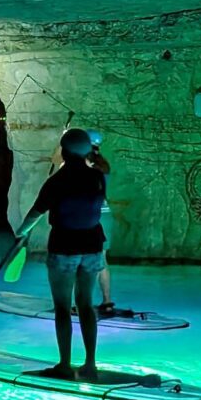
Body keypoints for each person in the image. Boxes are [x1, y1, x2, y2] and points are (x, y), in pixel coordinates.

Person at [15, 128, 108, 382]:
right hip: (92, 246)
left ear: (64, 152)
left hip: (64, 247)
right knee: (86, 304)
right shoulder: (98, 178)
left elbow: (36, 212)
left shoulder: (56, 181)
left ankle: (65, 365)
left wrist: (21, 234)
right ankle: (90, 364)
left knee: (63, 307)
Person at [86, 129, 117, 315]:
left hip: (91, 217)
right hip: (105, 215)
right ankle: (107, 301)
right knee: (101, 259)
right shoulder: (104, 165)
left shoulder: (85, 167)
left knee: (84, 259)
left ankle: (83, 302)